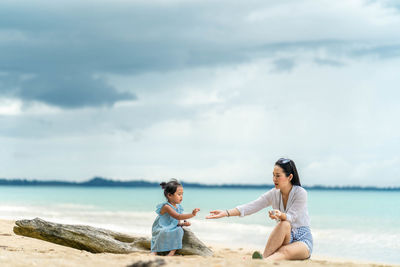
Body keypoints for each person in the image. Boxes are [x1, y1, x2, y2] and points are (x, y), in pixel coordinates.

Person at [206, 158, 313, 260]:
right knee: (283, 224)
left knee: (283, 249)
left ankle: (262, 260)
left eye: (278, 176)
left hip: (302, 240)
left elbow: (291, 217)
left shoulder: (300, 193)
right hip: (285, 235)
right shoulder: (273, 194)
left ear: (289, 177)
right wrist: (225, 213)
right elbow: (252, 206)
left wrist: (280, 215)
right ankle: (263, 260)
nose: (274, 179)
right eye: (273, 175)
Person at [151, 179, 200, 256]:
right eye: (179, 194)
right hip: (161, 227)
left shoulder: (179, 207)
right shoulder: (166, 206)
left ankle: (172, 252)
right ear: (169, 195)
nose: (181, 197)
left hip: (171, 226)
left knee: (179, 231)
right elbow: (177, 216)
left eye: (182, 194)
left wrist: (183, 224)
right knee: (163, 232)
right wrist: (192, 214)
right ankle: (155, 250)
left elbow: (177, 221)